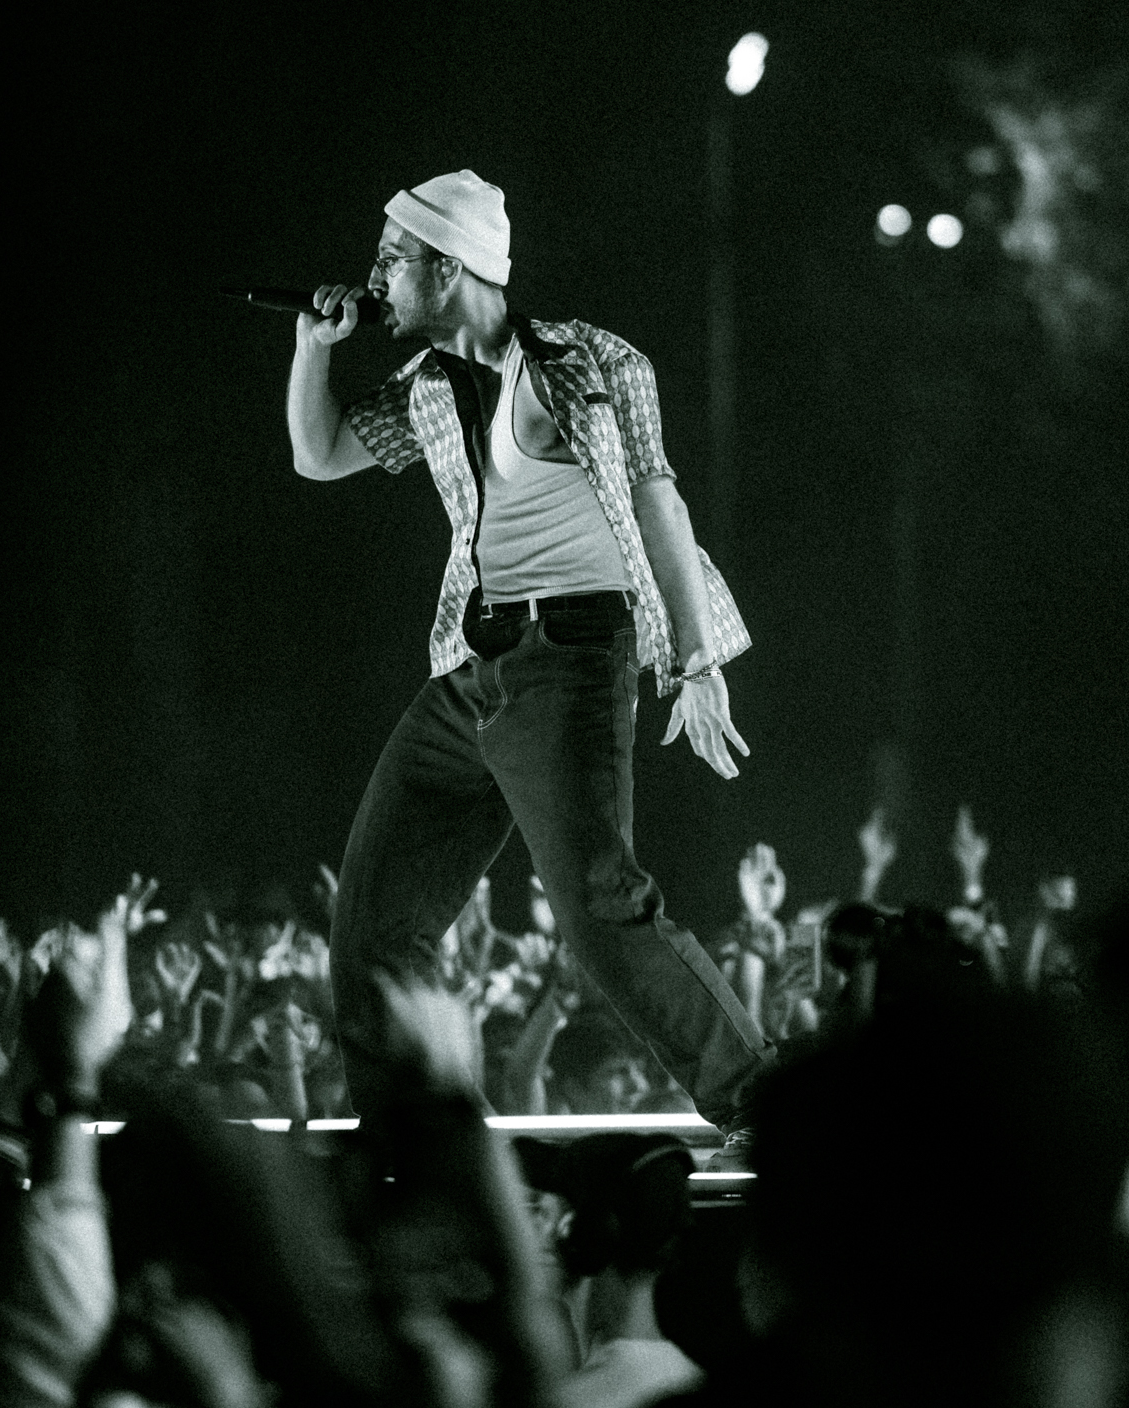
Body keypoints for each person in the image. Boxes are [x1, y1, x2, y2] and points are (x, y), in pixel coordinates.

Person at [286, 169, 770, 1145]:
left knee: (595, 908)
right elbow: (320, 455)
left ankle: (764, 1104)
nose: (373, 279)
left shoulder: (581, 363)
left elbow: (656, 498)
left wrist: (694, 661)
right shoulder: (427, 385)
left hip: (570, 658)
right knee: (374, 924)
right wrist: (310, 350)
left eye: (390, 259)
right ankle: (420, 1135)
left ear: (449, 267)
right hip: (470, 668)